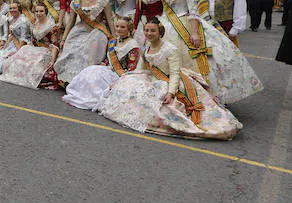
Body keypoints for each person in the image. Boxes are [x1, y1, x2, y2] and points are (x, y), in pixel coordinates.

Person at [97, 20, 242, 140]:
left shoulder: (170, 49)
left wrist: (171, 93)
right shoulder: (146, 47)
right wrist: (124, 79)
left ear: (160, 32)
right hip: (152, 77)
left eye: (152, 31)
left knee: (162, 104)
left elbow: (174, 74)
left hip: (170, 80)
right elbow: (140, 69)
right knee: (130, 89)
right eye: (146, 30)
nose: (148, 33)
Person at [160, 0, 262, 105]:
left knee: (200, 62)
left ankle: (199, 95)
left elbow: (193, 11)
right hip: (167, 25)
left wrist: (195, 33)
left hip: (185, 25)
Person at [62, 16, 139, 110]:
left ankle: (91, 98)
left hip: (120, 75)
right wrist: (103, 64)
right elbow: (108, 60)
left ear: (129, 29)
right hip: (109, 69)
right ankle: (81, 94)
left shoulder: (132, 45)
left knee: (96, 78)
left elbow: (132, 68)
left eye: (122, 27)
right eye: (117, 26)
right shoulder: (113, 41)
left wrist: (119, 82)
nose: (119, 29)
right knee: (89, 70)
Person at [54, 0, 115, 84]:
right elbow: (71, 22)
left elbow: (110, 20)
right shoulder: (76, 2)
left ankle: (87, 80)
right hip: (80, 29)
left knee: (90, 52)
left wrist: (115, 37)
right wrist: (64, 38)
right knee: (71, 48)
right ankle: (70, 80)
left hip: (98, 31)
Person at [0, 3, 61, 90]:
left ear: (46, 12)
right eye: (37, 11)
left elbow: (55, 45)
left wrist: (52, 60)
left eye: (41, 11)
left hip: (47, 51)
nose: (39, 13)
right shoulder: (35, 23)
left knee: (33, 66)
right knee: (17, 59)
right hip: (35, 48)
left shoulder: (51, 26)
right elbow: (32, 40)